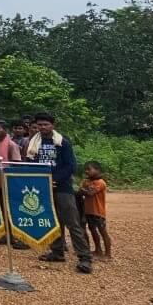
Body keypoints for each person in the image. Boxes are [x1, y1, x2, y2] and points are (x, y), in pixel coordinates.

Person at [27, 113, 92, 273]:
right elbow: (30, 163)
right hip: (41, 187)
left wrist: (55, 179)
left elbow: (71, 165)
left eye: (46, 124)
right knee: (51, 220)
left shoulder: (63, 143)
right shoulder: (34, 143)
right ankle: (57, 251)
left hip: (63, 187)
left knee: (72, 222)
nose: (42, 127)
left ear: (52, 125)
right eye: (40, 125)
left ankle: (84, 257)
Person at [79, 161, 112, 259]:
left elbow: (90, 193)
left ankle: (108, 254)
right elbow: (82, 190)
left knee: (103, 231)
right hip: (89, 211)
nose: (87, 171)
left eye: (89, 169)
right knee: (93, 230)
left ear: (97, 170)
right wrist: (83, 190)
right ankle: (98, 250)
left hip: (98, 212)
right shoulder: (87, 181)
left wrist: (83, 190)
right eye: (86, 170)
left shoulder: (100, 182)